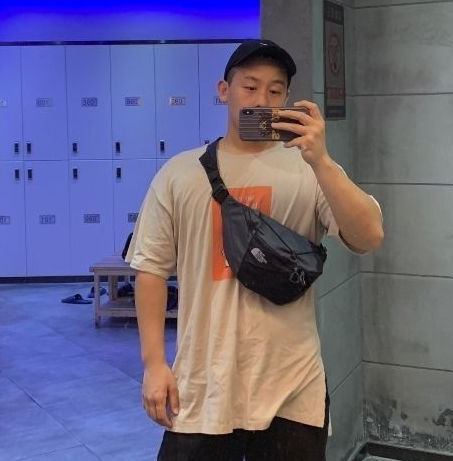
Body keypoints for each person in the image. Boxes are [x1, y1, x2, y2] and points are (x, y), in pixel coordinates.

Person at [126, 39, 384, 461]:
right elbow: (151, 270)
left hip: (292, 388)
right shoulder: (179, 174)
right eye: (249, 87)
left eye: (275, 90)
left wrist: (321, 160)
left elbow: (369, 236)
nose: (262, 99)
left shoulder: (309, 170)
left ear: (287, 98)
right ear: (223, 90)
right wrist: (154, 364)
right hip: (204, 387)